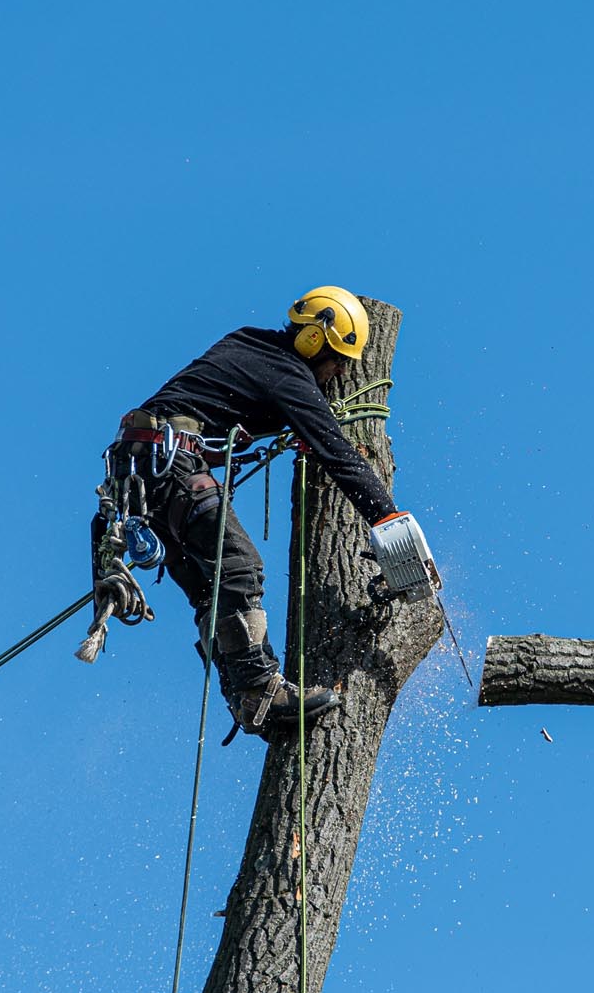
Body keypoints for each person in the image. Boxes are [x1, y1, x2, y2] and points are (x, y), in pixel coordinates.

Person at [86, 286, 430, 736]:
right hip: (168, 467)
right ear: (313, 343)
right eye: (339, 361)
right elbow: (339, 454)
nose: (338, 373)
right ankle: (258, 687)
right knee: (239, 567)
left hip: (141, 476)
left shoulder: (249, 343)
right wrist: (390, 521)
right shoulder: (288, 373)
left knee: (213, 592)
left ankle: (246, 698)